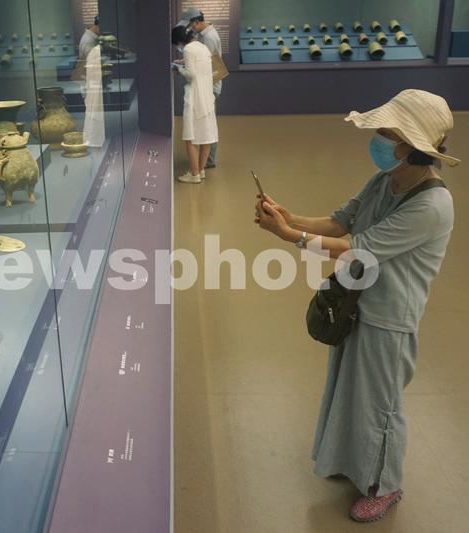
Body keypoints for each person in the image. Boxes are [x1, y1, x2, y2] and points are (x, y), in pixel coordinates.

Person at [254, 89, 459, 522]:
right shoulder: (385, 180)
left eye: (388, 133)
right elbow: (339, 222)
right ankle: (352, 462)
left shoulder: (432, 205)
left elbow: (357, 249)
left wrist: (290, 237)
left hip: (389, 318)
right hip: (357, 303)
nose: (378, 139)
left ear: (411, 145)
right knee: (349, 391)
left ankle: (386, 485)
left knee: (381, 404)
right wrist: (290, 218)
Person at [172, 25, 217, 183]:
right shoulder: (202, 47)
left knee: (190, 138)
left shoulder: (188, 49)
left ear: (179, 41)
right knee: (205, 136)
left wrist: (179, 68)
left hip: (195, 97)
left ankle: (194, 174)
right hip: (207, 96)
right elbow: (199, 65)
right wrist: (183, 61)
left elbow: (191, 74)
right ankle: (201, 170)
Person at [180, 8, 222, 168]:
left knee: (208, 125)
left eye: (190, 25)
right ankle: (204, 161)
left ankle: (208, 161)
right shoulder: (205, 35)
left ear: (196, 22)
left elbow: (205, 62)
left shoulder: (209, 37)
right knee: (207, 123)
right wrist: (184, 61)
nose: (189, 30)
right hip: (206, 82)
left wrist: (184, 66)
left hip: (208, 84)